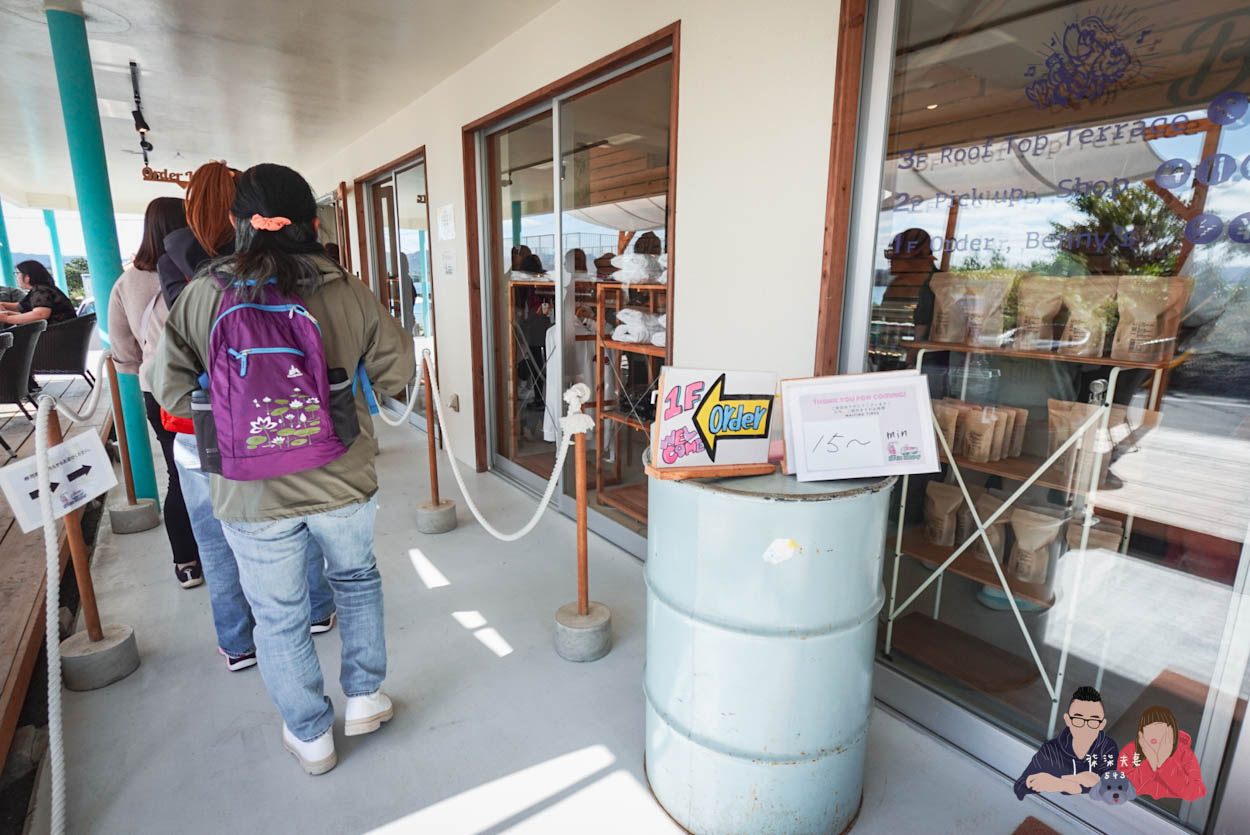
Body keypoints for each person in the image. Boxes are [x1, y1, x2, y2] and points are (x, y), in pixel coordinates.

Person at [153, 163, 415, 775]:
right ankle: (366, 698)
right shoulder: (346, 288)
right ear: (313, 223)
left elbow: (166, 390)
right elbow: (397, 370)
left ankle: (310, 736)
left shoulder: (203, 292)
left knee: (277, 613)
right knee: (355, 581)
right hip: (343, 474)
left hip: (249, 491)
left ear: (238, 225)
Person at [153, 161, 336, 671]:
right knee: (296, 516)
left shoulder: (177, 266)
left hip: (204, 423)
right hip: (280, 413)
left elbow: (166, 372)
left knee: (217, 537)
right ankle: (317, 609)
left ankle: (239, 643)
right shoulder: (278, 261)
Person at [108, 197, 203, 588]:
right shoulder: (201, 269)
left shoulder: (126, 280)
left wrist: (145, 366)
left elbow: (122, 349)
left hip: (158, 391)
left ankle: (187, 563)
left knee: (178, 475)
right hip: (207, 387)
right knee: (225, 474)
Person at [1014, 685, 1119, 799]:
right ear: (1068, 720)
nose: (1085, 727)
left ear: (1102, 724)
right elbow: (1019, 788)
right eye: (1078, 720)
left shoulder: (1107, 748)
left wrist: (1062, 783)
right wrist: (1071, 782)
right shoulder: (1051, 749)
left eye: (1093, 721)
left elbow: (1112, 790)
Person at [1118, 705, 1206, 801]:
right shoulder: (1131, 751)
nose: (1153, 733)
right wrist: (1149, 764)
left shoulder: (1185, 755)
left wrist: (1165, 762)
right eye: (1148, 728)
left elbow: (1196, 793)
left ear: (1170, 732)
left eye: (1158, 727)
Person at [0, 261, 77, 326]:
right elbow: (23, 309)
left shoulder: (41, 290)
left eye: (17, 273)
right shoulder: (42, 289)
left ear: (27, 276)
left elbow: (40, 315)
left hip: (55, 337)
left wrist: (6, 318)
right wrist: (6, 312)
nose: (16, 277)